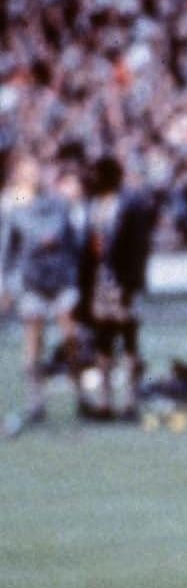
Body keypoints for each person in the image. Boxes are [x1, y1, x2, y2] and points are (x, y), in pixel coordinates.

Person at [2, 149, 86, 438]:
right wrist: (6, 286)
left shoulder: (58, 204)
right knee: (33, 341)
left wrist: (74, 273)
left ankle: (80, 393)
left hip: (61, 280)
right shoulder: (14, 208)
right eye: (28, 170)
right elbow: (8, 250)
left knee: (71, 336)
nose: (34, 175)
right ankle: (35, 401)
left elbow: (72, 240)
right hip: (33, 282)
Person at [73, 154, 158, 420]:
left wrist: (132, 284)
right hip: (99, 280)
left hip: (123, 281)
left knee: (129, 340)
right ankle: (105, 401)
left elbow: (139, 248)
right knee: (103, 340)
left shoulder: (130, 205)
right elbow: (89, 248)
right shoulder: (92, 205)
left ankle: (130, 402)